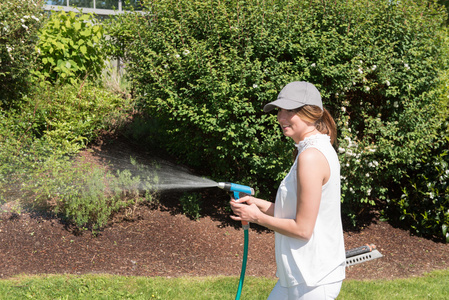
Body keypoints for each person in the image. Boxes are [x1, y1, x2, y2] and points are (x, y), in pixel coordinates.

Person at [230, 81, 346, 299]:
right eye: (280, 110)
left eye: (290, 111)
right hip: (299, 276)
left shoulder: (311, 156)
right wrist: (258, 205)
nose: (281, 118)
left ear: (311, 113)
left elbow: (303, 229)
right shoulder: (312, 150)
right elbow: (296, 213)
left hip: (312, 281)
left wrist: (255, 218)